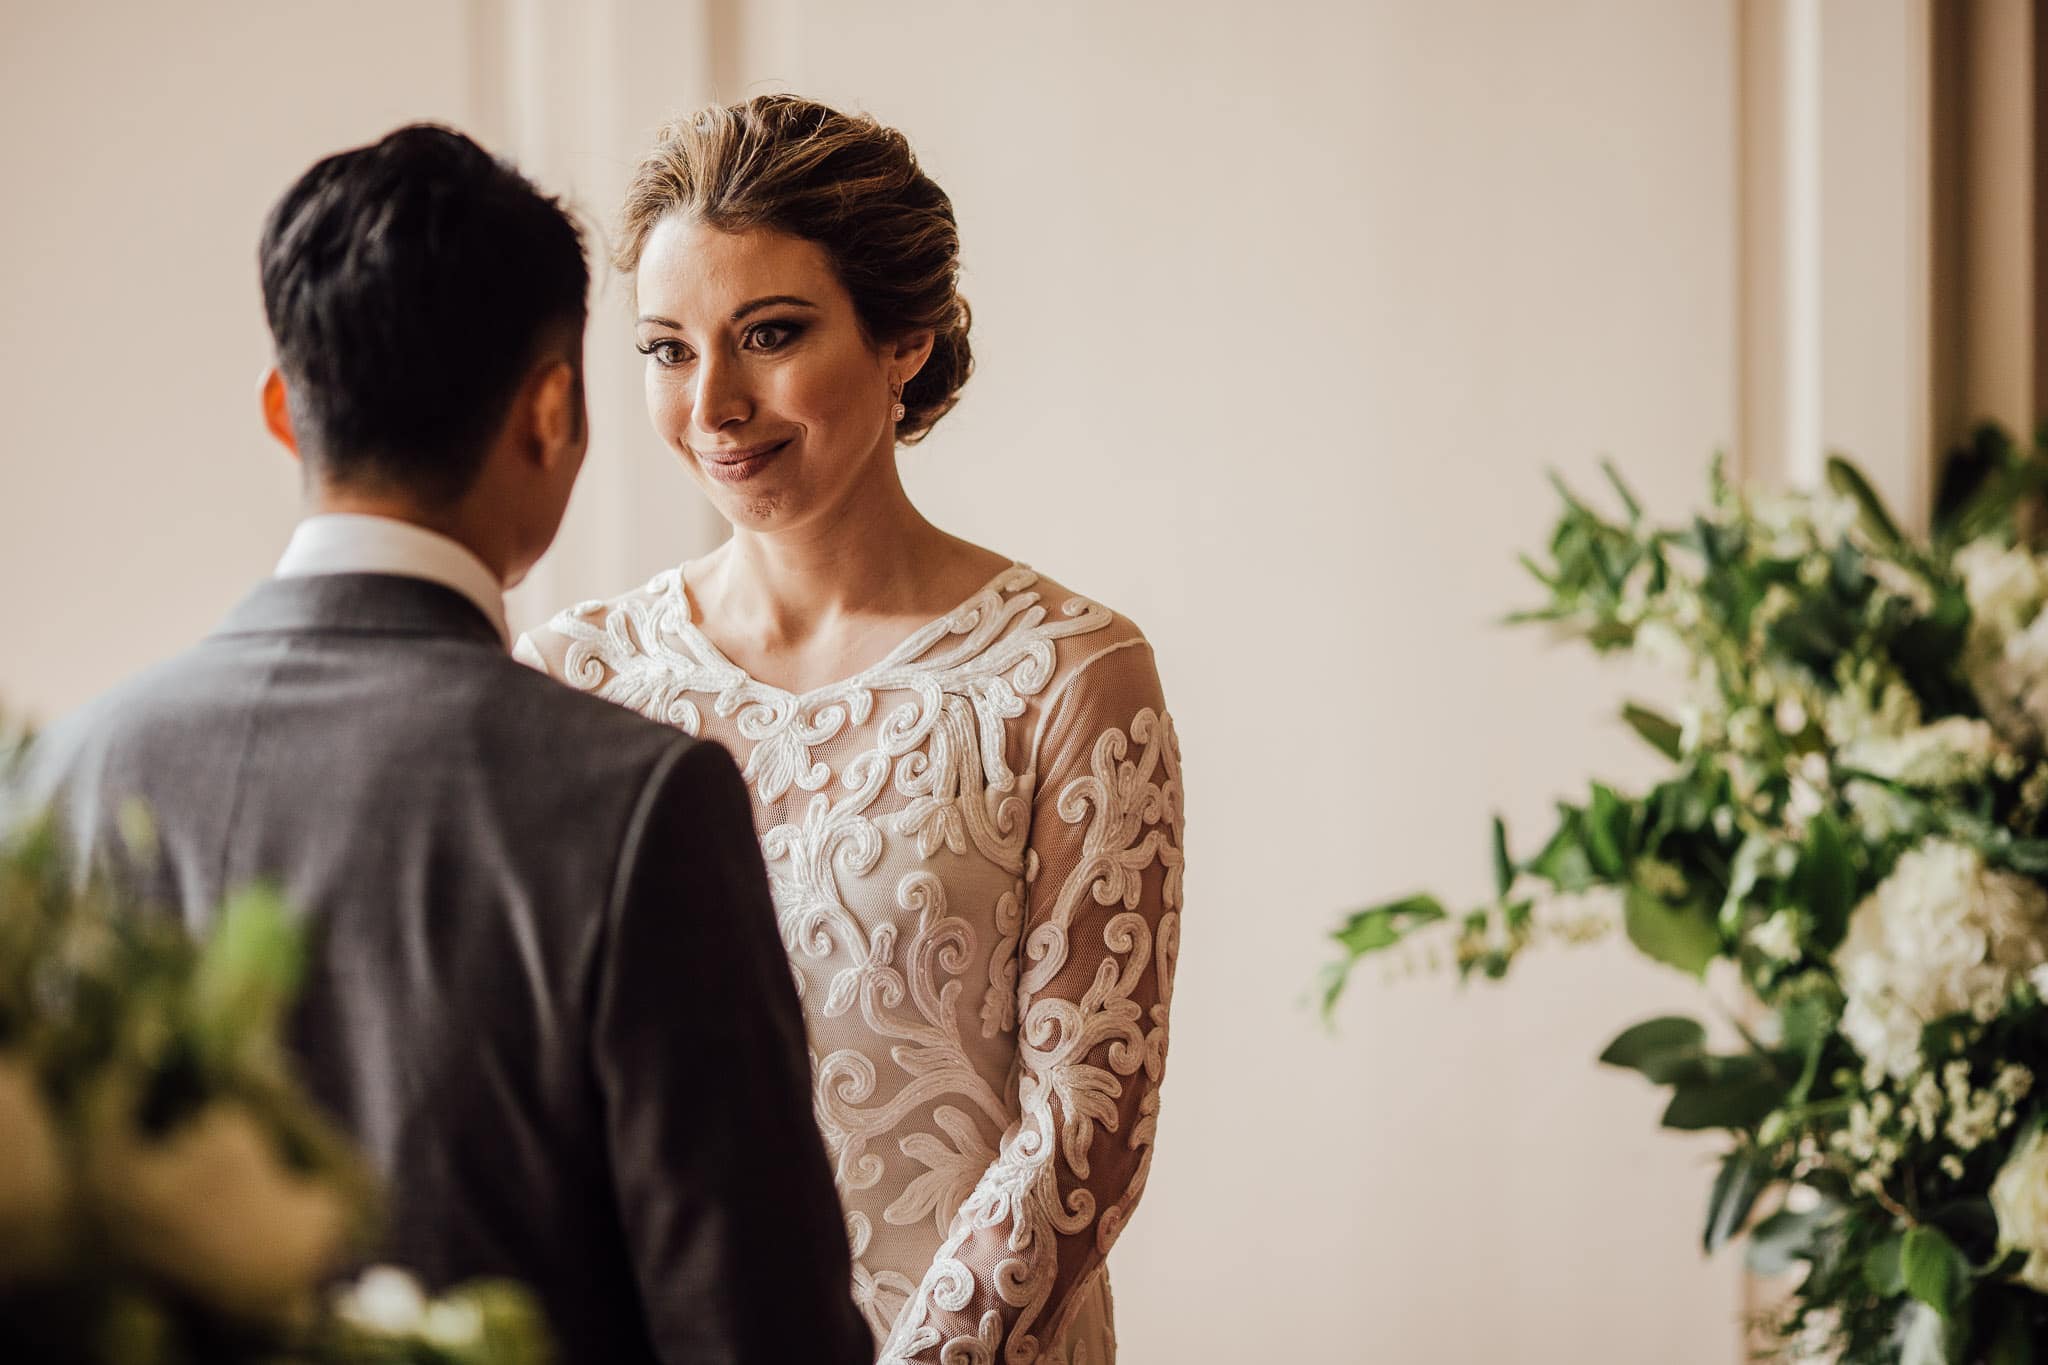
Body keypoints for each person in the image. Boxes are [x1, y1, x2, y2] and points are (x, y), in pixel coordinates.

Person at [16, 123, 870, 1365]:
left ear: (281, 409)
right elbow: (754, 1332)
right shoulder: (638, 802)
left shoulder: (69, 780)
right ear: (548, 408)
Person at [517, 95, 1185, 1365]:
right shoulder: (572, 675)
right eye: (667, 349)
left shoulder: (1068, 677)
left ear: (905, 341)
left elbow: (1083, 1124)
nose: (712, 403)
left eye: (768, 334)